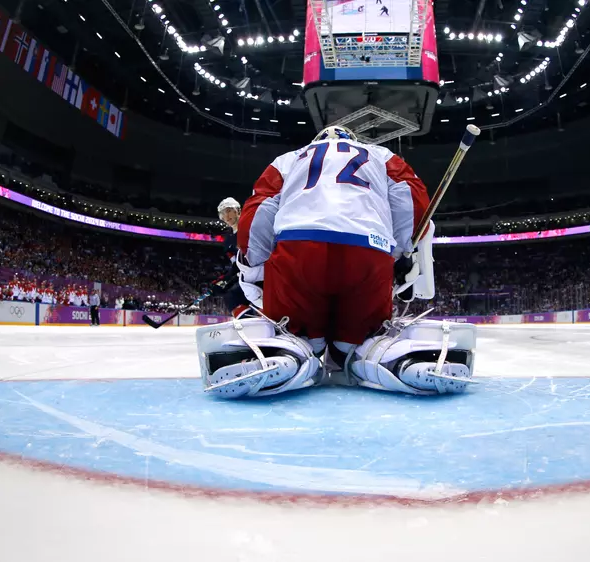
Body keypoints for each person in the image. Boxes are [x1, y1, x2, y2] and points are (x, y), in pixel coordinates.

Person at [196, 124, 476, 398]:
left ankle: (288, 356)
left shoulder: (287, 160)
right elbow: (411, 201)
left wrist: (255, 268)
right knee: (359, 337)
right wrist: (402, 254)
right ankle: (391, 360)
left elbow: (257, 215)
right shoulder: (381, 155)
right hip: (369, 249)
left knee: (299, 334)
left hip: (299, 248)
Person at [215, 197, 252, 312]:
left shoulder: (250, 229)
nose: (226, 216)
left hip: (261, 274)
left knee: (232, 297)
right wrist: (223, 280)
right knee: (231, 297)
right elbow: (236, 265)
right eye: (222, 213)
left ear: (238, 211)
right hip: (248, 277)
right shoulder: (228, 241)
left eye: (229, 210)